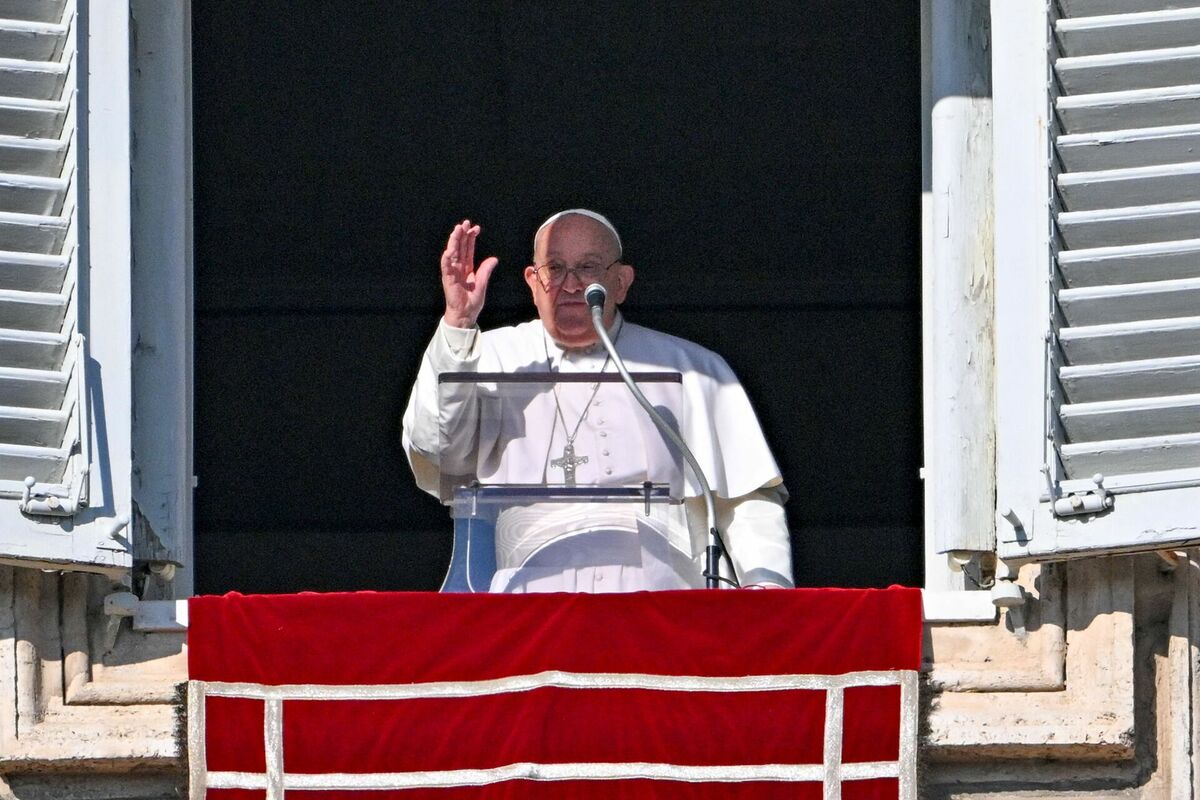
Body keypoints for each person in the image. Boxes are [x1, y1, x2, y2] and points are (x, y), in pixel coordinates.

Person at [402, 210, 793, 592]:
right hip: (528, 606)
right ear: (532, 281)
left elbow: (746, 499)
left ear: (621, 282)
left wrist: (768, 592)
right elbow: (438, 449)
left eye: (588, 268)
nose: (570, 284)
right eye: (554, 268)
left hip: (662, 600)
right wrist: (458, 322)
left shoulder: (692, 367)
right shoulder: (488, 356)